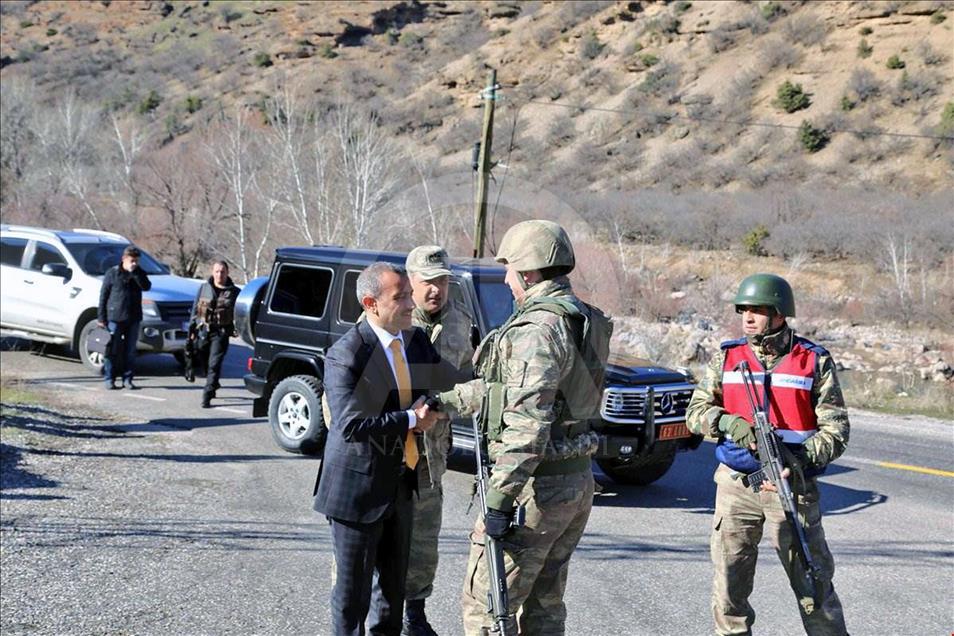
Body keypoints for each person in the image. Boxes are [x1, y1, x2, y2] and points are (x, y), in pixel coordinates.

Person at [436, 220, 610, 636]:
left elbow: (528, 424)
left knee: (487, 607)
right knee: (545, 605)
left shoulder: (537, 330)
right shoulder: (579, 318)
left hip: (536, 491)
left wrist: (497, 501)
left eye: (510, 268)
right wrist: (446, 401)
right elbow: (510, 389)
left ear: (529, 273)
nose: (506, 278)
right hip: (574, 481)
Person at [686, 273, 849, 636]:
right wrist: (728, 424)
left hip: (791, 487)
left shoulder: (813, 361)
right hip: (735, 486)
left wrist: (800, 460)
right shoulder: (727, 358)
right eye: (744, 310)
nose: (748, 318)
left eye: (757, 310)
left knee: (813, 585)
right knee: (729, 587)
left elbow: (837, 431)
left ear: (779, 313)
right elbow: (694, 413)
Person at [313, 262, 446, 636]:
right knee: (352, 596)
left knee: (391, 593)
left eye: (409, 293)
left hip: (402, 484)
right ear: (371, 304)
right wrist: (409, 419)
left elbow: (440, 381)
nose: (410, 303)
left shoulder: (415, 340)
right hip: (356, 492)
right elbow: (351, 425)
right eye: (400, 297)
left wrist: (432, 403)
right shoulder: (346, 354)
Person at [401, 245, 476, 636]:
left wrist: (448, 404)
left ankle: (414, 613)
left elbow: (469, 382)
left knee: (424, 540)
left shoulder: (461, 324)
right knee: (379, 536)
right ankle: (375, 610)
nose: (436, 290)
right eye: (428, 282)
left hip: (432, 455)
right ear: (410, 280)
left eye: (443, 281)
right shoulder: (389, 319)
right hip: (390, 451)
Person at [98, 245, 152, 390]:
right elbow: (104, 296)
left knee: (130, 351)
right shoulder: (113, 273)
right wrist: (101, 318)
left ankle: (127, 379)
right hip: (115, 317)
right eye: (132, 261)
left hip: (133, 317)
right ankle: (109, 378)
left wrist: (135, 273)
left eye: (136, 261)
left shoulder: (139, 273)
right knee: (112, 350)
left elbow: (146, 286)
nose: (134, 263)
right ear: (124, 259)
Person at [188, 260, 240, 408]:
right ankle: (214, 382)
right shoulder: (204, 288)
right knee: (203, 359)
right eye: (217, 271)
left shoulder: (235, 292)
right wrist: (191, 331)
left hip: (221, 333)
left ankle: (207, 394)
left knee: (214, 364)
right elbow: (195, 310)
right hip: (204, 331)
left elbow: (240, 314)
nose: (219, 275)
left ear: (227, 273)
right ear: (212, 272)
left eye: (222, 272)